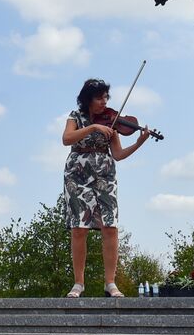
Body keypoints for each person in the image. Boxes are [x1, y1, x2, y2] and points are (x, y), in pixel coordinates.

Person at [62, 79, 150, 297]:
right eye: (99, 98)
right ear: (88, 99)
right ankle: (78, 283)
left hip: (105, 175)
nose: (104, 102)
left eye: (105, 97)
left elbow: (118, 154)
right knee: (79, 228)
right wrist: (93, 127)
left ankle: (110, 283)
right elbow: (66, 139)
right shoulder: (75, 117)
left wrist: (138, 143)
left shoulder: (112, 121)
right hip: (77, 175)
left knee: (110, 226)